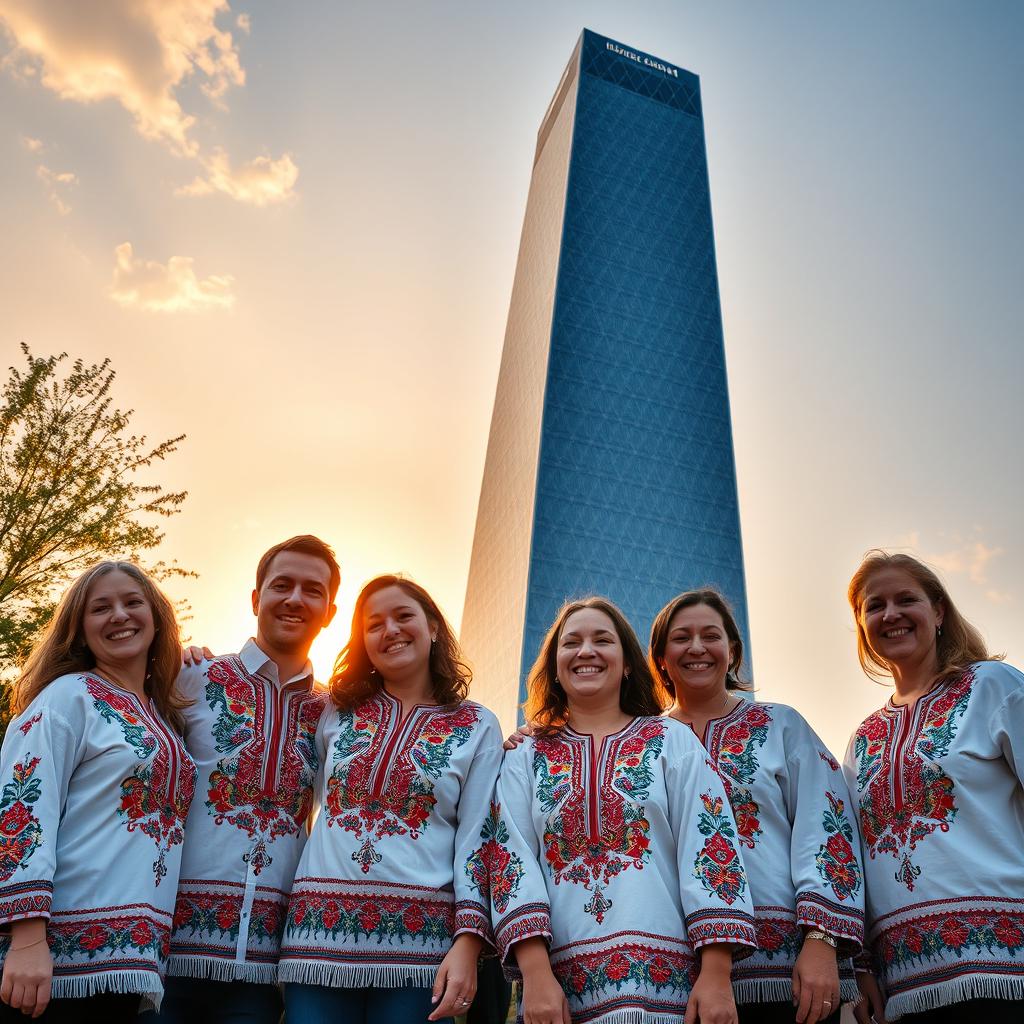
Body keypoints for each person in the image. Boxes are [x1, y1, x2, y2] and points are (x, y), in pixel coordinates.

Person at [491, 596, 757, 1024]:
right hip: (557, 997)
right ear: (555, 664)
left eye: (603, 640)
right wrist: (536, 976)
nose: (586, 651)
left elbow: (711, 848)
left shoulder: (672, 740)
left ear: (628, 662)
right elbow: (511, 861)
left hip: (669, 992)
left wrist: (716, 974)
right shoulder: (525, 755)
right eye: (571, 642)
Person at [277, 574, 503, 1024]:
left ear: (433, 626)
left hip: (419, 951)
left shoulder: (477, 725)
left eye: (404, 616)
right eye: (374, 623)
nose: (391, 630)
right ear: (363, 640)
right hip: (317, 939)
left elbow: (479, 840)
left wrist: (468, 940)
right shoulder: (335, 710)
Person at [649, 589, 864, 1024]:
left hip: (789, 971)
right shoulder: (641, 743)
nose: (696, 648)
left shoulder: (780, 725)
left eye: (711, 635)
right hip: (674, 977)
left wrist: (822, 940)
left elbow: (829, 828)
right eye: (681, 637)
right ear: (659, 658)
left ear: (733, 651)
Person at [154, 535, 339, 1024]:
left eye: (312, 590)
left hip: (262, 968)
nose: (295, 599)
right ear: (257, 598)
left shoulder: (334, 713)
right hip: (168, 953)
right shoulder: (192, 678)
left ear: (330, 611)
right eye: (282, 585)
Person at [0, 562, 196, 1022]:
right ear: (78, 628)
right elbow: (21, 810)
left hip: (133, 960)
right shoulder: (68, 697)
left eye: (132, 602)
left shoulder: (163, 715)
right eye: (100, 608)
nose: (119, 616)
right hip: (56, 963)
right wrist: (29, 940)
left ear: (157, 617)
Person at [845, 550, 1024, 1023]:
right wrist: (861, 966)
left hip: (1007, 970)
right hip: (906, 984)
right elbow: (854, 858)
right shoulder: (863, 740)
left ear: (938, 611)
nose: (891, 614)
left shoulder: (992, 686)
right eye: (874, 606)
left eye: (907, 599)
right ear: (862, 625)